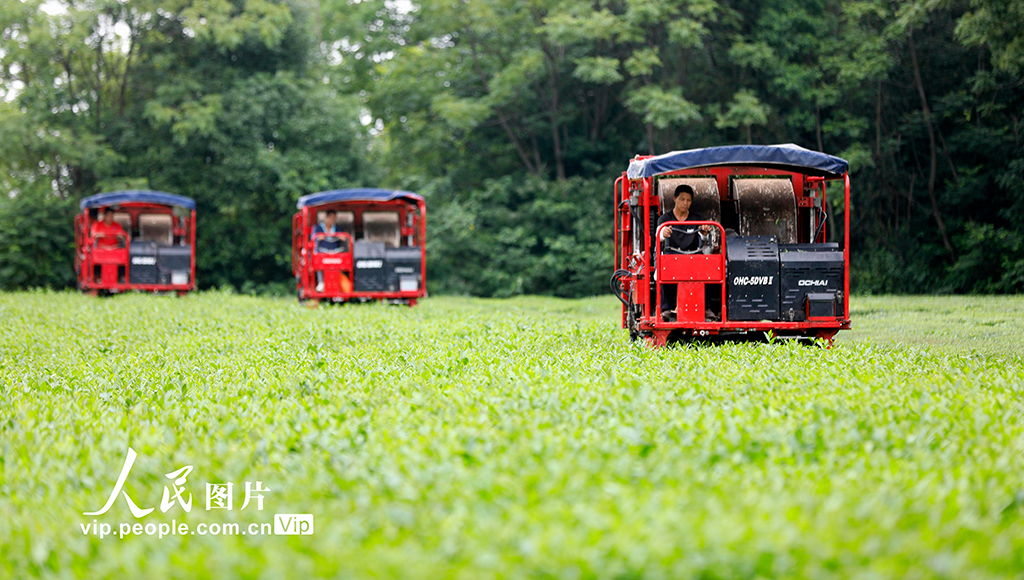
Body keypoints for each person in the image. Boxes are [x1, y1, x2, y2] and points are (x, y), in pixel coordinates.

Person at [656, 185, 712, 321]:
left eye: (688, 200)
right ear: (675, 199)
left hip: (692, 254)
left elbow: (704, 240)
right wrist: (663, 233)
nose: (685, 203)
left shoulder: (697, 219)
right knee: (665, 266)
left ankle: (706, 308)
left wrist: (704, 233)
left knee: (707, 266)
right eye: (682, 199)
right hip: (671, 255)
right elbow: (658, 237)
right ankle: (667, 308)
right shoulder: (664, 219)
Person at [312, 210, 342, 292]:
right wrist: (319, 237)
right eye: (331, 217)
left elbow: (343, 237)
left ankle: (337, 283)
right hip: (321, 251)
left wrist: (341, 237)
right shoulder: (318, 228)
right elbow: (313, 238)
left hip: (334, 251)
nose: (332, 220)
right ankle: (321, 282)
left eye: (334, 218)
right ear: (327, 217)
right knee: (319, 262)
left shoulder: (336, 228)